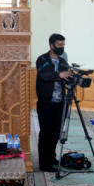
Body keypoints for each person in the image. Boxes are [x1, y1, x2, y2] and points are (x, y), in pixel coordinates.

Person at [35, 33, 73, 172]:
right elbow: (44, 75)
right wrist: (59, 75)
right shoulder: (42, 59)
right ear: (52, 45)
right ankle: (44, 164)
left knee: (56, 132)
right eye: (59, 45)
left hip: (60, 102)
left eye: (63, 45)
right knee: (46, 132)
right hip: (46, 103)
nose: (62, 47)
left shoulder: (63, 61)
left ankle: (51, 157)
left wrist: (70, 76)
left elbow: (66, 76)